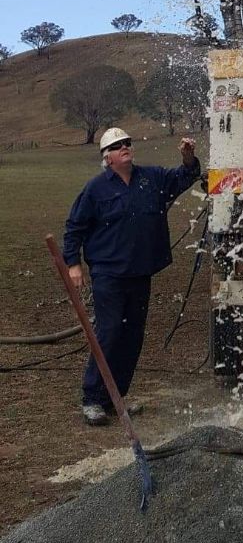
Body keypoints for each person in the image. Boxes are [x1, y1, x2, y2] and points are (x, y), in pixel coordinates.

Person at [62, 126, 201, 425]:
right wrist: (73, 264)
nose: (125, 147)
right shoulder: (96, 190)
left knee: (132, 336)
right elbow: (75, 227)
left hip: (140, 272)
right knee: (110, 332)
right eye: (117, 145)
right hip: (109, 274)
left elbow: (184, 177)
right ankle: (92, 398)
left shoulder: (152, 179)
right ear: (107, 157)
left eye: (127, 142)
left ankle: (115, 397)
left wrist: (189, 160)